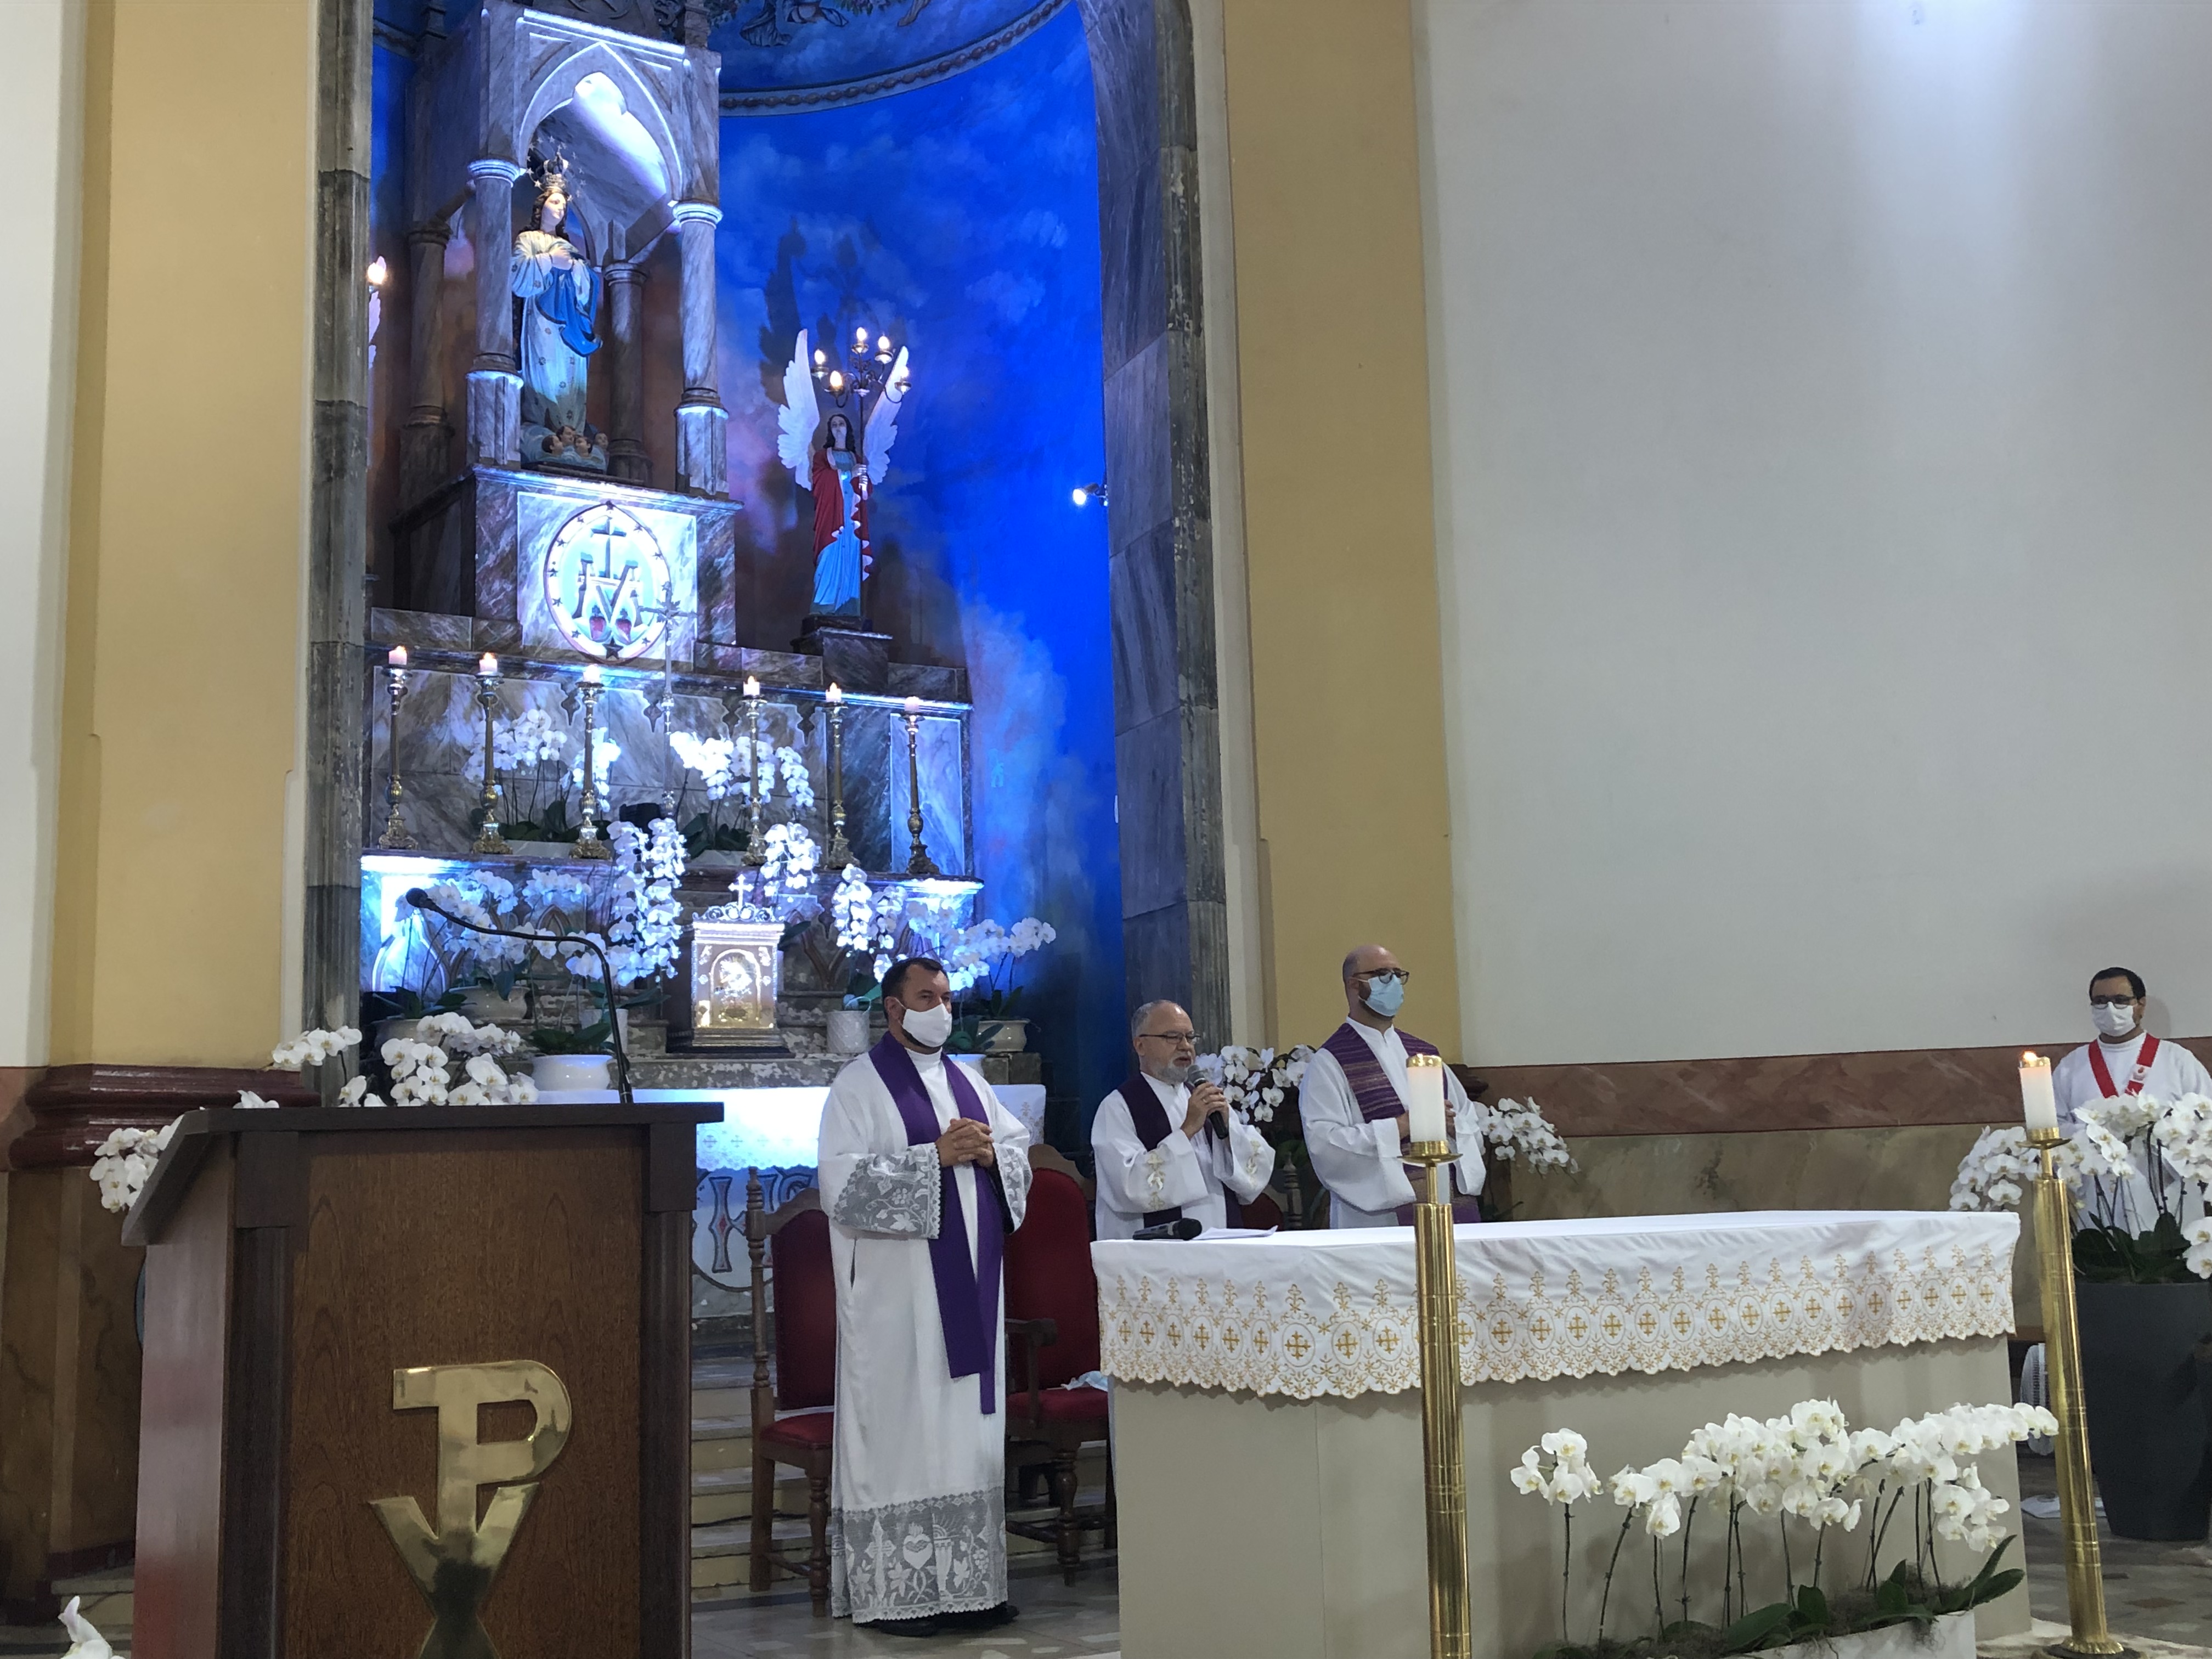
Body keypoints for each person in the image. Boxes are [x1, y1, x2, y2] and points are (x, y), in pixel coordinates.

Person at [817, 957, 1033, 1636]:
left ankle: (973, 1588)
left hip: (970, 1292)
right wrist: (932, 1158)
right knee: (905, 1432)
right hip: (896, 1305)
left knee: (965, 1431)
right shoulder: (857, 1088)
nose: (941, 1007)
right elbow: (842, 1190)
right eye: (926, 997)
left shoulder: (971, 1081)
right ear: (892, 1009)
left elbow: (1021, 1152)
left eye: (946, 996)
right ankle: (900, 1594)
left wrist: (996, 1155)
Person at [1299, 944, 1484, 1227]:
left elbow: (1469, 1120)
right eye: (1383, 975)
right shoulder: (1330, 1063)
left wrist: (1450, 1126)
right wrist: (1402, 1126)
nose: (1395, 983)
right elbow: (1326, 1145)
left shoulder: (1425, 1055)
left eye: (1399, 975)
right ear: (1353, 984)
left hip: (1445, 1202)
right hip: (1379, 1221)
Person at [1092, 1000, 1276, 1239]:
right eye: (1172, 1037)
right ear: (1140, 1045)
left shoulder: (1205, 1098)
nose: (1186, 1046)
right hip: (1159, 1254)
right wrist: (1188, 1130)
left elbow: (1255, 1174)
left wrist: (1230, 1135)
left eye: (1190, 1037)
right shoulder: (1118, 1107)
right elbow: (1128, 1185)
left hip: (1221, 1242)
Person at [2051, 965, 2212, 1228]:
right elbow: (2054, 1129)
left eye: (2120, 1000)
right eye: (2100, 1002)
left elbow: (2206, 1121)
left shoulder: (2177, 1060)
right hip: (2100, 1195)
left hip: (2168, 1191)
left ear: (2141, 1005)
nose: (2110, 1009)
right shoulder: (2072, 1067)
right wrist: (2093, 1136)